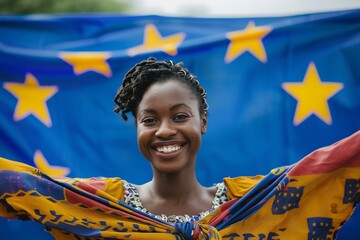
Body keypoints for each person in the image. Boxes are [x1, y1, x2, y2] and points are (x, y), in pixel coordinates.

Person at [0, 57, 359, 240]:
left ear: (202, 122)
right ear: (137, 129)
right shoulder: (100, 207)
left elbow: (334, 165)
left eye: (180, 116)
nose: (165, 131)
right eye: (150, 120)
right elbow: (27, 187)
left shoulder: (252, 204)